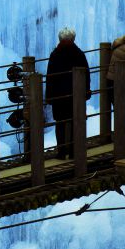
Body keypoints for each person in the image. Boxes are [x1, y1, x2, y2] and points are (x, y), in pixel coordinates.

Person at [46, 26, 90, 159]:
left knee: (60, 124)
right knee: (75, 122)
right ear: (73, 39)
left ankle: (61, 152)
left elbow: (50, 77)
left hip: (59, 96)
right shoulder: (79, 54)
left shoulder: (55, 55)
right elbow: (86, 74)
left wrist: (49, 96)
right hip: (75, 95)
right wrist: (86, 91)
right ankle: (73, 152)